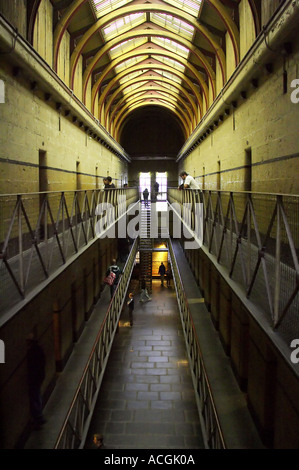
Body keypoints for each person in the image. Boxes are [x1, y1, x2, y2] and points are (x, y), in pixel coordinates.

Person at [26, 333, 46, 428]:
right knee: (37, 394)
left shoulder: (31, 352)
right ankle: (39, 415)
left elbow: (32, 366)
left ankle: (38, 417)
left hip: (34, 377)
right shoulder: (39, 350)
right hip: (40, 376)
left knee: (35, 396)